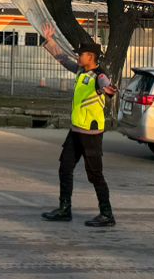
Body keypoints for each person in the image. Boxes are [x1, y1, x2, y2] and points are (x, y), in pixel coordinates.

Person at [42, 43, 116, 228]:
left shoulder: (99, 76)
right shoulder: (81, 71)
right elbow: (63, 60)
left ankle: (107, 214)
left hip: (91, 133)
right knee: (65, 168)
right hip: (76, 130)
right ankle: (64, 209)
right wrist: (50, 42)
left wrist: (109, 89)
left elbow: (107, 86)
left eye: (81, 54)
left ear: (90, 56)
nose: (78, 57)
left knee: (95, 174)